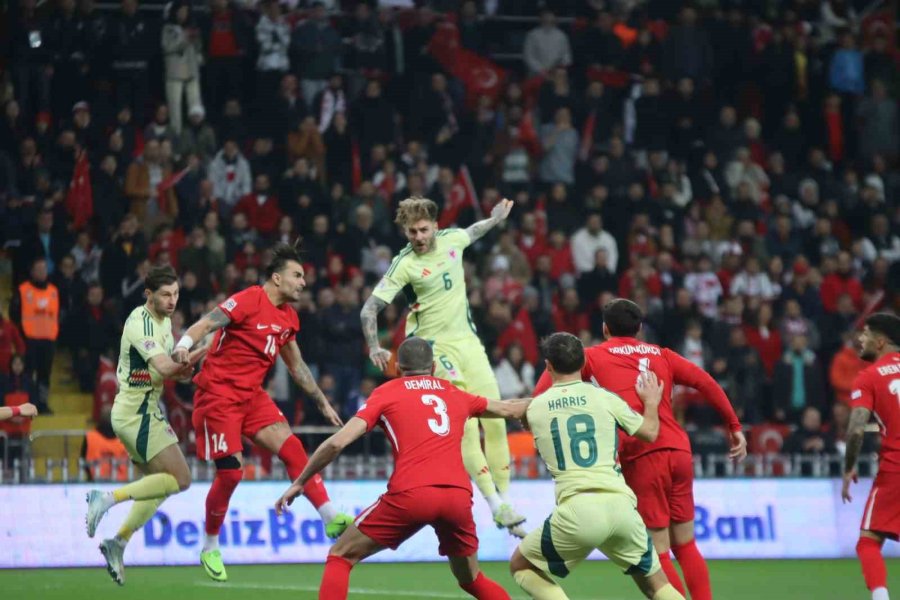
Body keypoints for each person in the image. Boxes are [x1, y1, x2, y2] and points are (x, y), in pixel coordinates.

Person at [274, 336, 530, 600]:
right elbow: (511, 409)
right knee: (472, 578)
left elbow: (337, 443)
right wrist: (560, 397)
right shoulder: (453, 392)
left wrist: (300, 481)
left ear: (397, 368)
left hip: (411, 494)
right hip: (457, 496)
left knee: (340, 556)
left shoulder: (387, 392)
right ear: (432, 368)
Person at [533, 298, 747, 600]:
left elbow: (544, 389)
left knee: (658, 549)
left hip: (643, 453)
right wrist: (734, 426)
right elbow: (706, 382)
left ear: (605, 328)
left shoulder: (592, 356)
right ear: (640, 328)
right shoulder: (663, 355)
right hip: (679, 449)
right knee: (685, 544)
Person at [173, 243, 351, 582]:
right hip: (218, 396)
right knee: (231, 474)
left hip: (252, 398)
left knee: (294, 448)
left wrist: (322, 402)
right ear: (276, 277)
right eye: (297, 276)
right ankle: (210, 544)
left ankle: (330, 517)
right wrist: (182, 347)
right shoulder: (249, 299)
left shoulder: (288, 318)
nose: (302, 283)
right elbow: (208, 323)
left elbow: (296, 366)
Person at [360, 197, 527, 537]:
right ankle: (493, 502)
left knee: (498, 418)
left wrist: (494, 219)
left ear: (435, 226)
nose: (418, 237)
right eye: (412, 232)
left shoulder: (452, 240)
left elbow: (472, 232)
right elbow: (368, 310)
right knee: (464, 423)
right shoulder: (403, 264)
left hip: (469, 343)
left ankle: (507, 502)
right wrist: (374, 346)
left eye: (423, 229)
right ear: (405, 232)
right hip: (435, 349)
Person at [512, 333, 683, 600]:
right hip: (621, 506)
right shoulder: (605, 398)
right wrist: (651, 403)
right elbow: (650, 432)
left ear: (548, 366)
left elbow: (508, 411)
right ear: (583, 363)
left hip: (579, 509)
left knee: (521, 566)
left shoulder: (536, 407)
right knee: (656, 584)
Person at [84, 266, 202, 586]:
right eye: (165, 294)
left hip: (147, 409)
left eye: (176, 294)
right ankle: (106, 499)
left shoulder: (164, 324)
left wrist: (196, 359)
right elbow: (164, 366)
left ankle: (118, 542)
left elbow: (173, 373)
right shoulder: (140, 322)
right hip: (135, 412)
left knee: (161, 484)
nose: (172, 300)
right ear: (148, 294)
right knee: (181, 478)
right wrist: (191, 354)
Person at [842, 313, 900, 600]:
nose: (860, 339)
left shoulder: (870, 377)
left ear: (880, 341)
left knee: (868, 542)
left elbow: (856, 429)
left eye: (865, 334)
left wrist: (848, 466)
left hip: (896, 468)